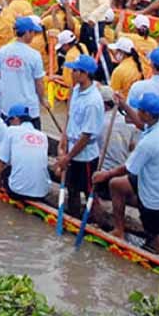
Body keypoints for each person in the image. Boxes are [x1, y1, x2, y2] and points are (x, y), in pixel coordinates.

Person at [96, 92, 159, 258]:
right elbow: (141, 124)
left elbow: (128, 168)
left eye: (139, 110)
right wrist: (124, 105)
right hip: (157, 179)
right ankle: (119, 229)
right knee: (116, 185)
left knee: (157, 233)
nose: (137, 112)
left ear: (147, 114)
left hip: (155, 194)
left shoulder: (149, 144)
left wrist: (105, 174)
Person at [56, 55, 104, 217]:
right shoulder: (76, 90)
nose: (71, 73)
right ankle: (73, 215)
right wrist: (63, 141)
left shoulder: (93, 101)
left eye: (75, 70)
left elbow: (86, 135)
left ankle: (99, 221)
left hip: (85, 156)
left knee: (90, 192)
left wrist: (68, 157)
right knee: (72, 188)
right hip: (71, 147)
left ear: (84, 74)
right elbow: (70, 117)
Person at [0, 17, 49, 129]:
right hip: (28, 109)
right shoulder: (34, 55)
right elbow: (39, 83)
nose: (33, 35)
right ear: (27, 33)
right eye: (33, 32)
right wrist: (43, 100)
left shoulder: (2, 51)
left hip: (7, 106)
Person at [0, 104, 50, 201]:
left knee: (6, 170)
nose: (9, 125)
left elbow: (0, 161)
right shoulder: (42, 135)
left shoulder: (11, 130)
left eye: (10, 122)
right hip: (43, 193)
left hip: (17, 192)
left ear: (15, 119)